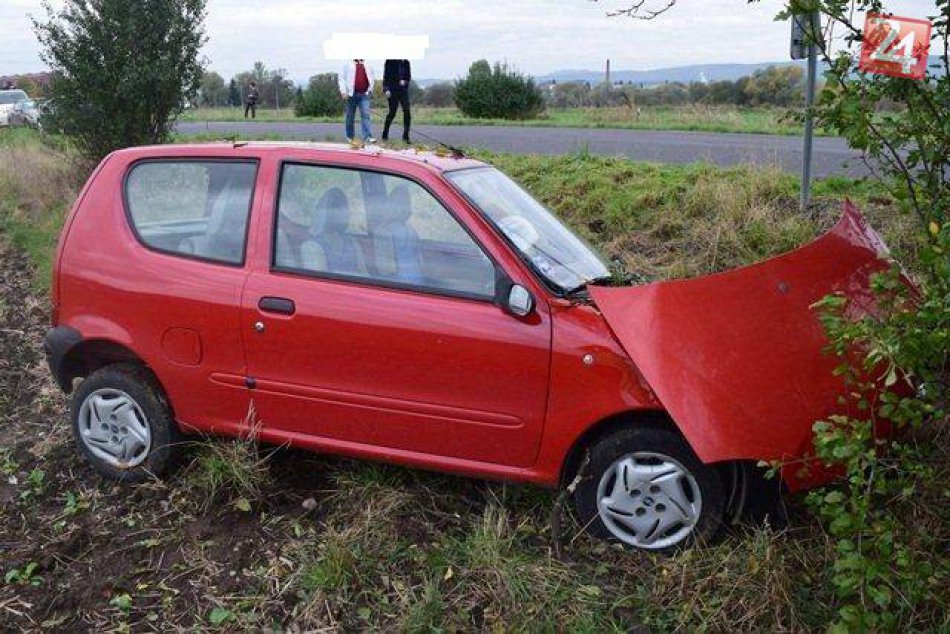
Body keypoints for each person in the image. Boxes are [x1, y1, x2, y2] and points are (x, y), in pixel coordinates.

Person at [338, 59, 375, 143]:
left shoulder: (367, 63)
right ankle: (350, 137)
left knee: (366, 115)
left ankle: (367, 137)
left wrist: (370, 90)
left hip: (364, 94)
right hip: (351, 94)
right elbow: (342, 78)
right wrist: (343, 91)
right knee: (350, 116)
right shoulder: (347, 63)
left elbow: (372, 77)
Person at [382, 59, 412, 143]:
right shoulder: (389, 61)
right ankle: (385, 133)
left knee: (407, 111)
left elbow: (408, 77)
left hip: (403, 91)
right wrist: (386, 90)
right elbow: (385, 77)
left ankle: (406, 137)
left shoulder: (406, 62)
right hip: (392, 91)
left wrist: (405, 82)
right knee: (392, 112)